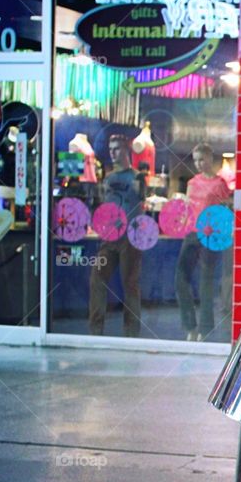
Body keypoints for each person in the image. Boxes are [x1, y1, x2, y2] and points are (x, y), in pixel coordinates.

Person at [174, 143, 232, 341]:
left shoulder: (220, 184)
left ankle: (205, 330)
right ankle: (190, 326)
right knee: (181, 278)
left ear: (210, 159)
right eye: (196, 160)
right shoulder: (192, 182)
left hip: (211, 233)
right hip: (192, 232)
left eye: (202, 159)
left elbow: (226, 210)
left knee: (206, 282)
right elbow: (188, 208)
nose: (198, 163)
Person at [88, 134, 144, 337]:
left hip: (130, 236)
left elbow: (141, 205)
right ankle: (95, 331)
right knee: (97, 277)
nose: (112, 152)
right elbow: (104, 204)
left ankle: (131, 334)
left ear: (127, 150)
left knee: (130, 284)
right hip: (109, 237)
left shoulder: (137, 176)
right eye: (111, 149)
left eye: (117, 148)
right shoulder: (109, 178)